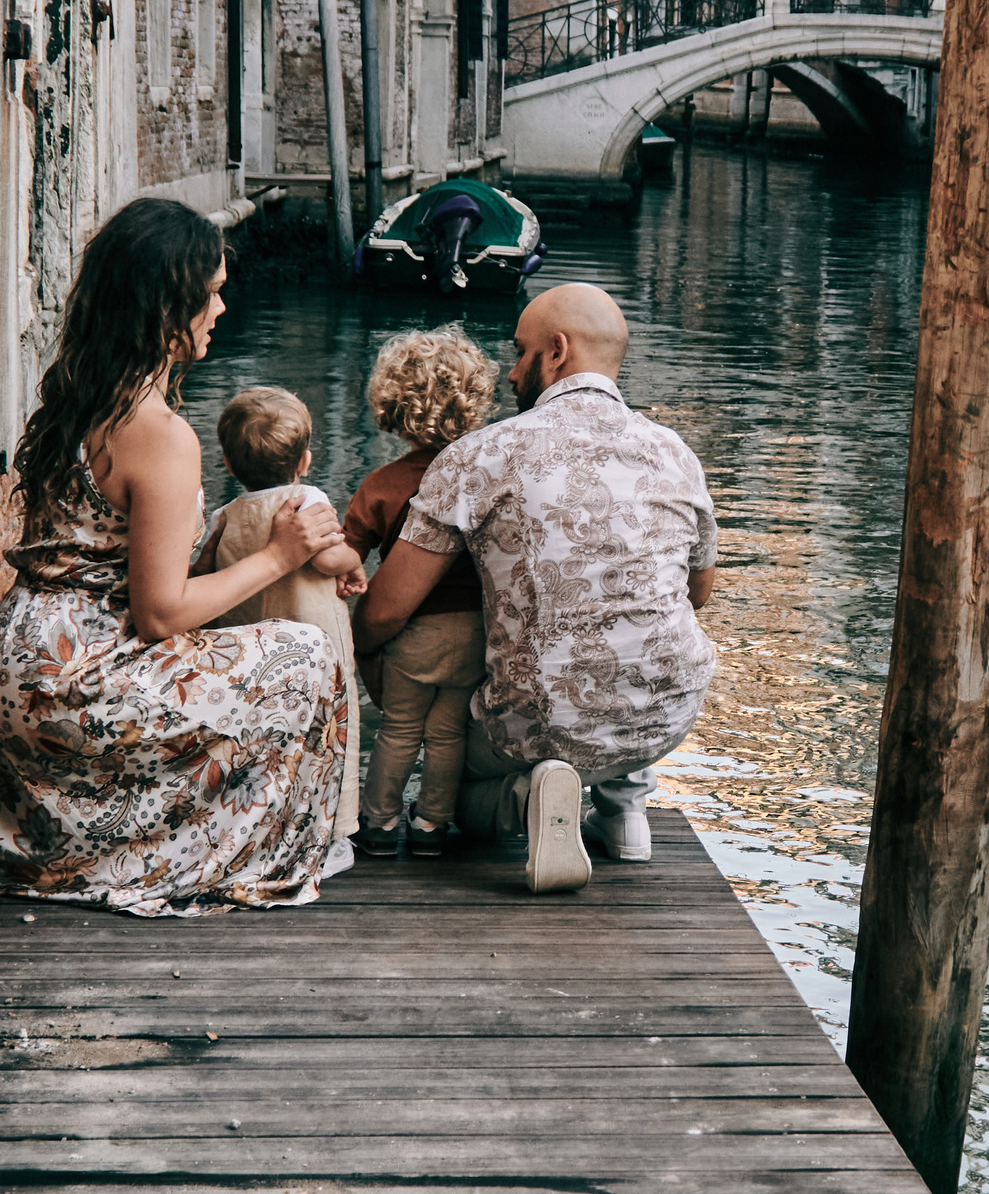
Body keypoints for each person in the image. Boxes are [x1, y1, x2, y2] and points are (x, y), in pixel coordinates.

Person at [0, 199, 356, 916]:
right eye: (211, 293)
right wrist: (280, 551)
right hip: (71, 681)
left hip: (10, 669)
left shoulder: (80, 393)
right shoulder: (161, 432)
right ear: (170, 309)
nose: (222, 308)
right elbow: (160, 611)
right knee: (306, 657)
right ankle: (246, 849)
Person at [352, 284, 718, 894]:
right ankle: (626, 811)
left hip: (540, 723)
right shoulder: (675, 452)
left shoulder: (480, 455)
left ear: (556, 352)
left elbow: (386, 612)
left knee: (453, 795)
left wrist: (356, 641)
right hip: (665, 715)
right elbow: (696, 594)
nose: (513, 371)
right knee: (630, 646)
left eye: (521, 353)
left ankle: (533, 794)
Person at [339, 325, 499, 859]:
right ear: (475, 400)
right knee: (449, 732)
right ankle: (432, 826)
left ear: (392, 405)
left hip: (412, 633)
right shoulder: (490, 481)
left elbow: (345, 554)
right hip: (475, 632)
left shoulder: (381, 486)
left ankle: (379, 824)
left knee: (400, 728)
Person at [205, 385, 370, 785]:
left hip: (248, 657)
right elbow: (329, 557)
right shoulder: (305, 500)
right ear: (306, 461)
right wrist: (354, 561)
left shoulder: (222, 517)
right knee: (328, 738)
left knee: (260, 742)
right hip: (312, 654)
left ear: (228, 463)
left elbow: (204, 570)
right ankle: (337, 833)